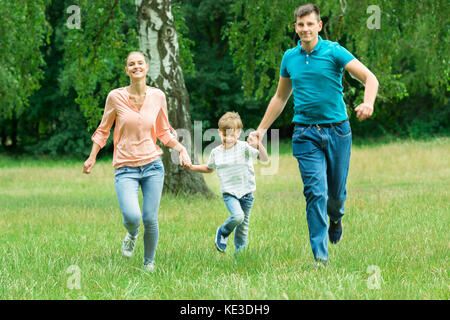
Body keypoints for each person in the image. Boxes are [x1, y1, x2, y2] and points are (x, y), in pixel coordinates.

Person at [248, 4, 379, 265]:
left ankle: (337, 217)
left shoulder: (333, 51)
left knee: (336, 196)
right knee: (315, 192)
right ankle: (321, 256)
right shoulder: (290, 57)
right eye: (300, 25)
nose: (305, 29)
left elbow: (370, 78)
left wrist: (368, 102)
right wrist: (261, 130)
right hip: (305, 133)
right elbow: (280, 97)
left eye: (310, 24)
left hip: (338, 131)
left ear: (319, 26)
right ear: (295, 27)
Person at [83, 51, 191, 272]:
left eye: (140, 63)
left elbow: (163, 131)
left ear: (147, 66)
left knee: (150, 218)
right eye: (131, 64)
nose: (136, 67)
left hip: (153, 166)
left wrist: (181, 149)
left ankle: (149, 263)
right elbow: (103, 130)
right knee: (133, 217)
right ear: (127, 70)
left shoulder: (158, 96)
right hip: (125, 168)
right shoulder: (115, 97)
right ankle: (132, 233)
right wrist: (92, 156)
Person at [185, 112, 268, 254]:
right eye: (225, 135)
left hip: (247, 194)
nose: (228, 138)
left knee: (243, 227)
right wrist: (192, 167)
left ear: (239, 132)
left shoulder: (244, 148)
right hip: (230, 194)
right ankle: (223, 231)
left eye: (232, 135)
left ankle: (239, 256)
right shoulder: (216, 152)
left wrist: (259, 145)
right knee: (238, 216)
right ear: (219, 132)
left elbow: (264, 159)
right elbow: (209, 168)